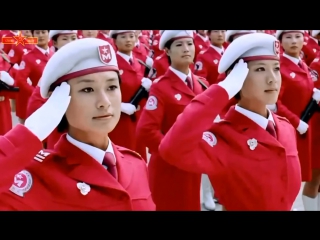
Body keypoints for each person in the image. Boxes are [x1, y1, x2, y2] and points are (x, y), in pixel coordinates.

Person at [0, 38, 155, 210]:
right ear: (59, 99)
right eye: (87, 89)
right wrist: (27, 136)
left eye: (111, 87)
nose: (104, 102)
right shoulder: (38, 176)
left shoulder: (136, 164)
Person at [158, 33, 301, 211]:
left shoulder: (285, 127)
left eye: (277, 68)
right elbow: (172, 149)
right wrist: (222, 91)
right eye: (260, 69)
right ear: (237, 79)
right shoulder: (224, 138)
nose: (272, 78)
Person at [136, 30, 208, 210]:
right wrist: (173, 152)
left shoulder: (201, 84)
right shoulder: (161, 87)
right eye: (179, 45)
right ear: (167, 51)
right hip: (169, 167)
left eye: (189, 44)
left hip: (193, 166)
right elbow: (146, 131)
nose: (186, 49)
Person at [274, 30, 320, 210]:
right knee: (289, 181)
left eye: (298, 36)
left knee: (302, 177)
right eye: (288, 37)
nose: (294, 41)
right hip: (289, 130)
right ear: (280, 41)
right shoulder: (279, 67)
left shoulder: (302, 64)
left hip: (305, 130)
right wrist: (296, 122)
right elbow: (275, 103)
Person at [26, 30, 78, 149]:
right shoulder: (52, 70)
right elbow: (36, 103)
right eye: (65, 39)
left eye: (73, 38)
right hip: (59, 128)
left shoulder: (86, 66)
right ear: (54, 42)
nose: (70, 43)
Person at [109, 30, 152, 161]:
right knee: (123, 158)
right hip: (120, 121)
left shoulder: (139, 62)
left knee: (140, 157)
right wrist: (120, 106)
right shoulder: (112, 65)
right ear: (115, 41)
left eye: (131, 36)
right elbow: (105, 91)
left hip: (138, 119)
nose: (128, 40)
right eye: (123, 37)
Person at [14, 30, 53, 124]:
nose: (41, 36)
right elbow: (20, 80)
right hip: (37, 103)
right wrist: (37, 93)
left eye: (43, 32)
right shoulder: (28, 57)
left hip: (53, 101)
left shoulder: (53, 54)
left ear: (49, 34)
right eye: (37, 33)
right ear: (33, 35)